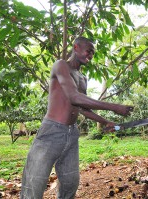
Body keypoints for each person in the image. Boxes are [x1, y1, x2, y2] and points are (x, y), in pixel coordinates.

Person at [20, 37, 133, 199]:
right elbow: (74, 97)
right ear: (75, 47)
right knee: (34, 184)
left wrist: (105, 122)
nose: (91, 55)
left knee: (70, 183)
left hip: (72, 134)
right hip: (51, 132)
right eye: (88, 51)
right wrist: (115, 107)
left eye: (93, 53)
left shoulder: (82, 78)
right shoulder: (61, 65)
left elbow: (82, 108)